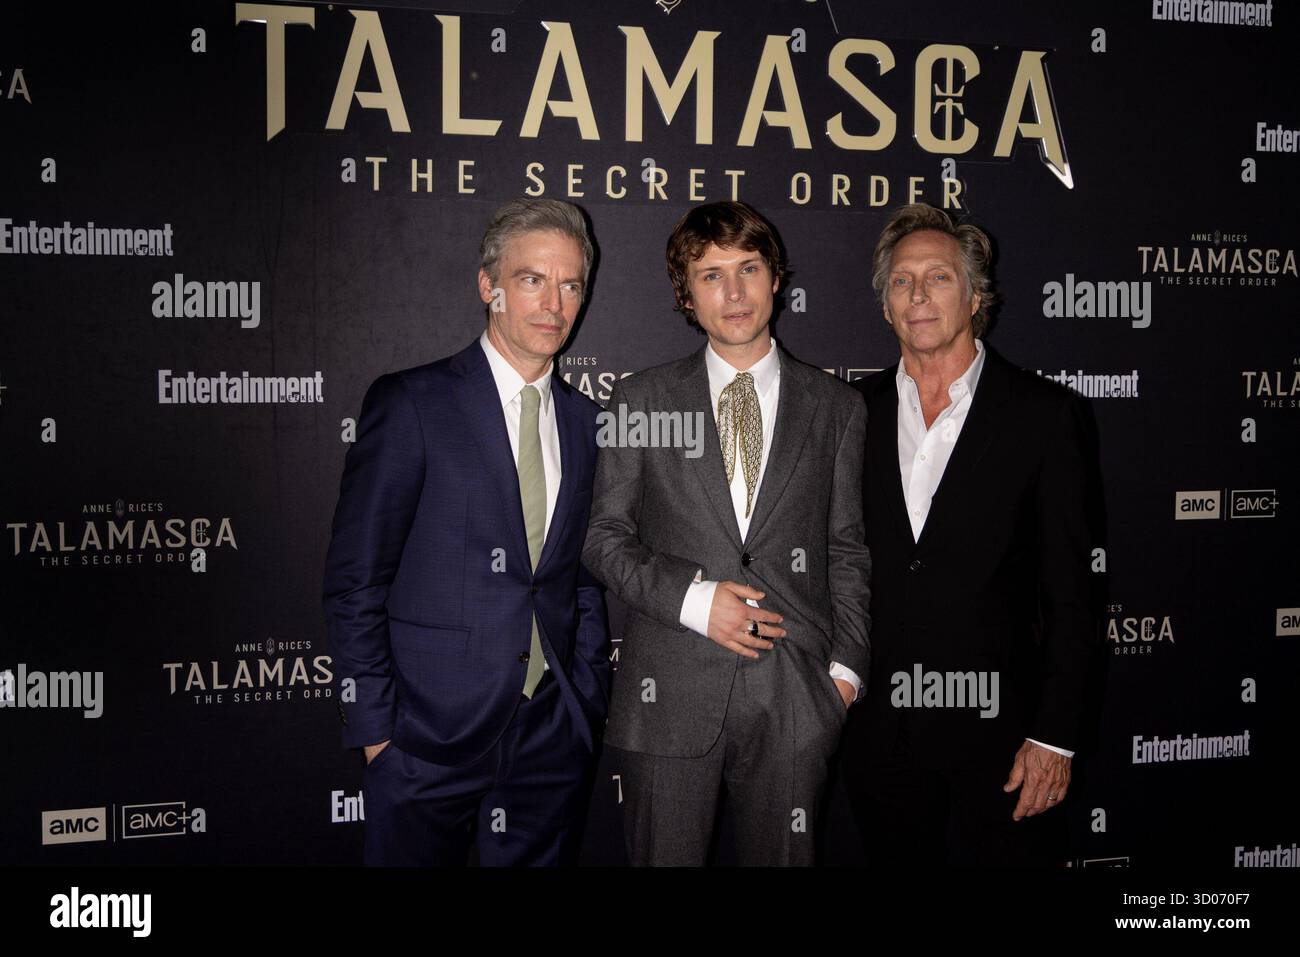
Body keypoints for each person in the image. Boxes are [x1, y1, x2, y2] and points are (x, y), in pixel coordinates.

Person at [322, 198, 611, 866]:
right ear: (490, 286)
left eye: (570, 284)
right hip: (426, 741)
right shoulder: (412, 403)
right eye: (531, 278)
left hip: (550, 736)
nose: (554, 301)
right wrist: (376, 732)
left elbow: (582, 580)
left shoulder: (589, 425)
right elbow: (355, 580)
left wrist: (583, 700)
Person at [583, 200, 870, 865]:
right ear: (687, 296)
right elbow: (604, 538)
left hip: (797, 700)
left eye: (748, 268)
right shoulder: (641, 400)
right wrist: (695, 599)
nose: (734, 292)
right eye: (711, 275)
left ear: (777, 278)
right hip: (668, 698)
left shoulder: (838, 408)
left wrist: (844, 675)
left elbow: (846, 549)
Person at [841, 203, 1102, 866]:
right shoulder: (849, 415)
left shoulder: (1045, 417)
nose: (918, 295)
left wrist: (1055, 737)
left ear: (977, 295)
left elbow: (1075, 597)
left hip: (1006, 744)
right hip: (880, 743)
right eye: (902, 281)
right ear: (884, 304)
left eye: (939, 278)